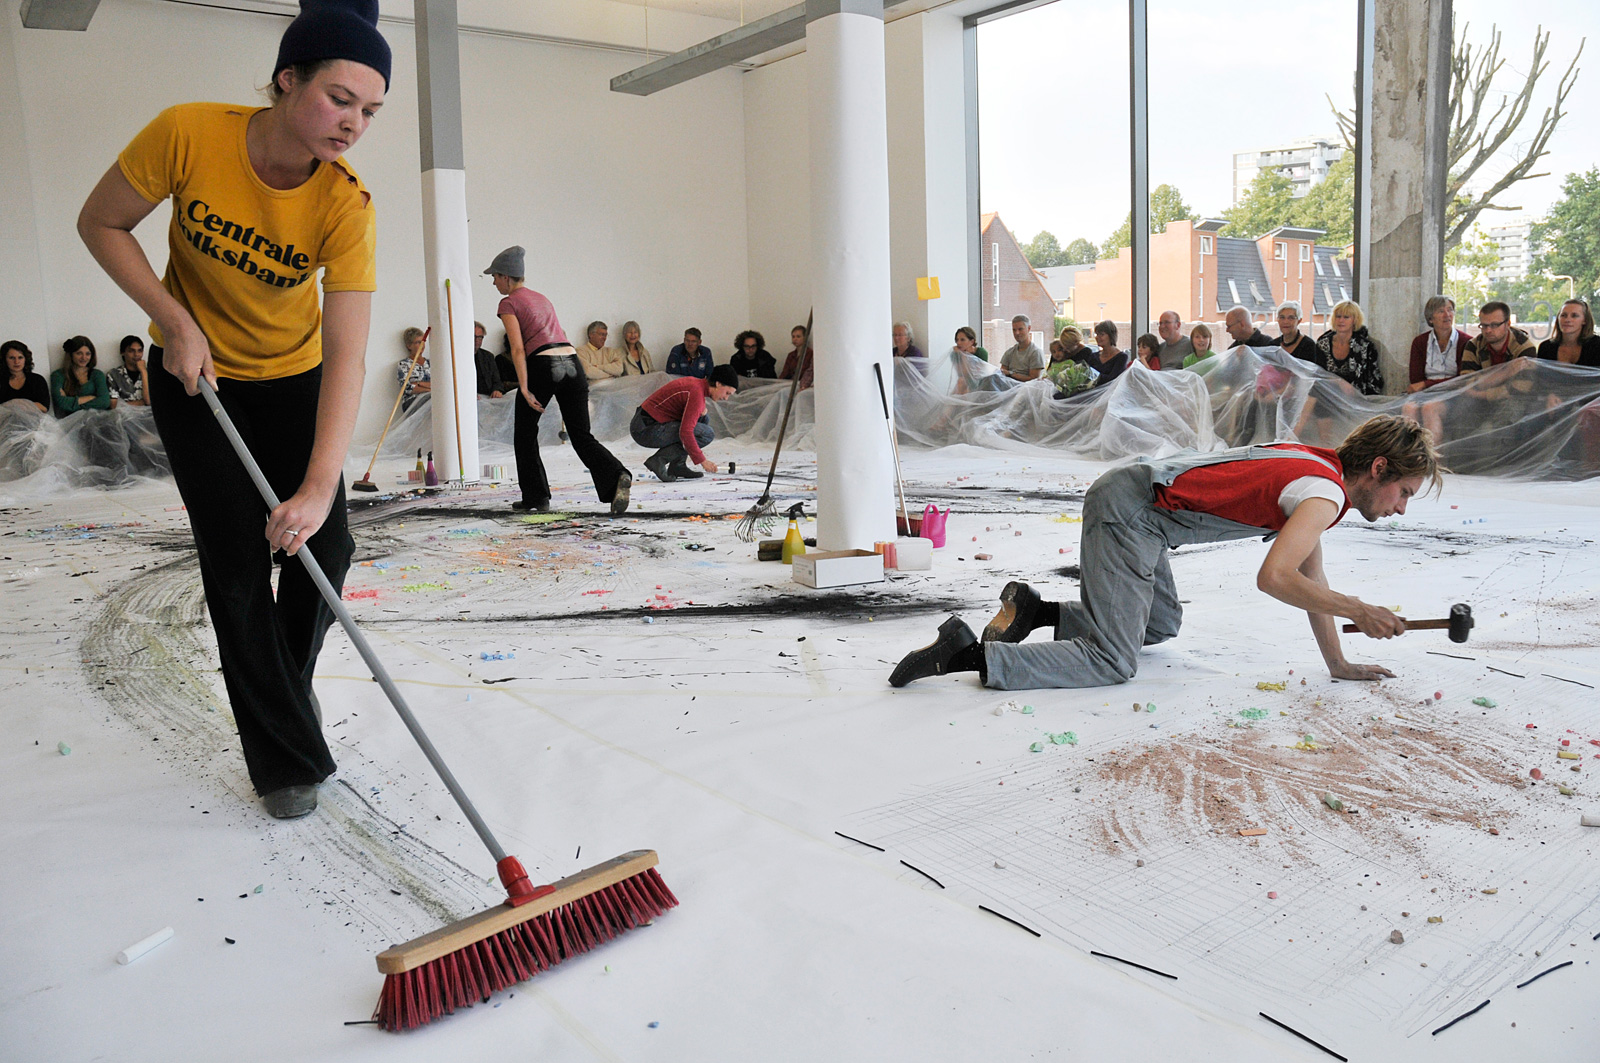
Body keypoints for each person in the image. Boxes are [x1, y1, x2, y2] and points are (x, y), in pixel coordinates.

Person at [77, 0, 390, 819]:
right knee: (238, 563)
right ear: (287, 79)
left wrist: (318, 487)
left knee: (326, 547)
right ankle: (283, 758)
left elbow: (348, 354)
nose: (353, 123)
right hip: (196, 380)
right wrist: (172, 320)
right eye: (340, 98)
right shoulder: (189, 133)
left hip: (294, 379)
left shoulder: (346, 204)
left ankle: (280, 688)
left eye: (370, 110)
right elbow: (102, 221)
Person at [889, 414, 1439, 690]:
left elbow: (1309, 578)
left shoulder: (1318, 471)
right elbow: (1275, 577)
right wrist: (1359, 610)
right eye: (1405, 493)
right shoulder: (1325, 494)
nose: (1401, 508)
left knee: (1160, 623)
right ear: (1379, 468)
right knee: (1112, 661)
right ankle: (967, 654)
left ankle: (1039, 613)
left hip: (1144, 514)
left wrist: (1338, 664)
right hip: (1133, 513)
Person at [487, 245, 632, 516]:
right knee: (581, 435)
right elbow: (556, 333)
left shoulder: (508, 303)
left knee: (525, 433)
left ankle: (536, 497)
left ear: (506, 276)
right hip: (572, 363)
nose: (493, 282)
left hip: (544, 364)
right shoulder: (542, 298)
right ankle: (617, 475)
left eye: (495, 276)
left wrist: (524, 388)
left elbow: (517, 349)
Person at [630, 364, 739, 482]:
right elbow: (686, 432)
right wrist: (702, 460)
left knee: (703, 419)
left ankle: (678, 466)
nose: (726, 398)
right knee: (706, 434)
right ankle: (658, 460)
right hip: (644, 429)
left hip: (644, 424)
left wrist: (699, 414)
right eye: (727, 393)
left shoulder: (697, 385)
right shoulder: (696, 393)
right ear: (718, 384)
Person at [1315, 300, 1384, 395]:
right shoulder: (1322, 343)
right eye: (1338, 316)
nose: (1341, 320)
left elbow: (1374, 380)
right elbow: (1318, 374)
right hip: (1326, 395)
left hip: (1356, 397)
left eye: (1346, 317)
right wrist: (1339, 382)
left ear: (1355, 320)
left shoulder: (1365, 346)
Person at [1407, 295, 1469, 392]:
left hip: (1456, 393)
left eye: (1450, 310)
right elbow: (1416, 381)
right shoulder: (1419, 342)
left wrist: (1426, 384)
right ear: (1430, 319)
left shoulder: (1466, 342)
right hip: (1426, 393)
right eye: (1441, 311)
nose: (1447, 315)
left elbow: (1463, 379)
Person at [1460, 300, 1536, 372]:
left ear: (1508, 324)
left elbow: (1524, 381)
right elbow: (1468, 379)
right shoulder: (1474, 346)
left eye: (1494, 325)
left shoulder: (1525, 347)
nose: (1488, 330)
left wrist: (1484, 378)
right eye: (1484, 325)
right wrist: (1509, 371)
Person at [51, 336, 112, 418]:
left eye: (88, 354)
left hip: (98, 420)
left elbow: (105, 402)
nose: (84, 357)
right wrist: (91, 398)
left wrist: (72, 404)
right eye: (79, 353)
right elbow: (60, 402)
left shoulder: (97, 374)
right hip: (70, 421)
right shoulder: (58, 375)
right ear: (71, 354)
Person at [1536, 299, 1600, 367]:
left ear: (1585, 320)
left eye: (1574, 316)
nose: (1567, 320)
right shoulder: (1545, 347)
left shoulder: (1597, 345)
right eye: (1563, 315)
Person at [1, 340, 51, 411]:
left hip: (34, 418)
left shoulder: (37, 380)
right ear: (4, 360)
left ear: (26, 359)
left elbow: (44, 408)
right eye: (12, 358)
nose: (16, 362)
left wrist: (17, 405)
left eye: (20, 357)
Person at [107, 334, 150, 406]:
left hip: (149, 413)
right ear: (122, 352)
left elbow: (149, 401)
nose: (136, 354)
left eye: (139, 351)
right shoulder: (114, 374)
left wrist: (143, 372)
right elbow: (114, 405)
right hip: (123, 413)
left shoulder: (151, 372)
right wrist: (142, 402)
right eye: (131, 351)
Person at [999, 315, 1044, 381]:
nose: (1017, 333)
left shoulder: (1036, 353)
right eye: (1014, 330)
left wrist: (1011, 374)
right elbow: (1001, 374)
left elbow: (1034, 380)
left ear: (1029, 328)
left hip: (1027, 387)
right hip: (1007, 386)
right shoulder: (1009, 352)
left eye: (1020, 329)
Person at [395, 326, 430, 411]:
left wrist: (418, 383)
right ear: (409, 346)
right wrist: (430, 389)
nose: (422, 345)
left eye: (423, 342)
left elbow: (438, 384)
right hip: (412, 402)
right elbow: (407, 388)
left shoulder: (431, 363)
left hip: (431, 399)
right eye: (418, 342)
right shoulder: (404, 364)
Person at [1086, 320, 1129, 387]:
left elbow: (1113, 380)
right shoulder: (1093, 356)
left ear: (1111, 335)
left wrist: (1094, 376)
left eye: (1102, 334)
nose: (1097, 337)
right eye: (1097, 334)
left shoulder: (1121, 357)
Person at [471, 320, 503, 397]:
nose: (476, 340)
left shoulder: (488, 356)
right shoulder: (459, 358)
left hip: (488, 397)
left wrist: (496, 390)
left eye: (480, 337)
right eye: (474, 336)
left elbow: (497, 381)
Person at [779, 324, 813, 389]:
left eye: (798, 336)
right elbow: (785, 373)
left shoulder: (810, 353)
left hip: (801, 384)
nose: (795, 339)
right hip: (788, 383)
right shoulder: (791, 355)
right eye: (793, 337)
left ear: (805, 337)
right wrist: (778, 382)